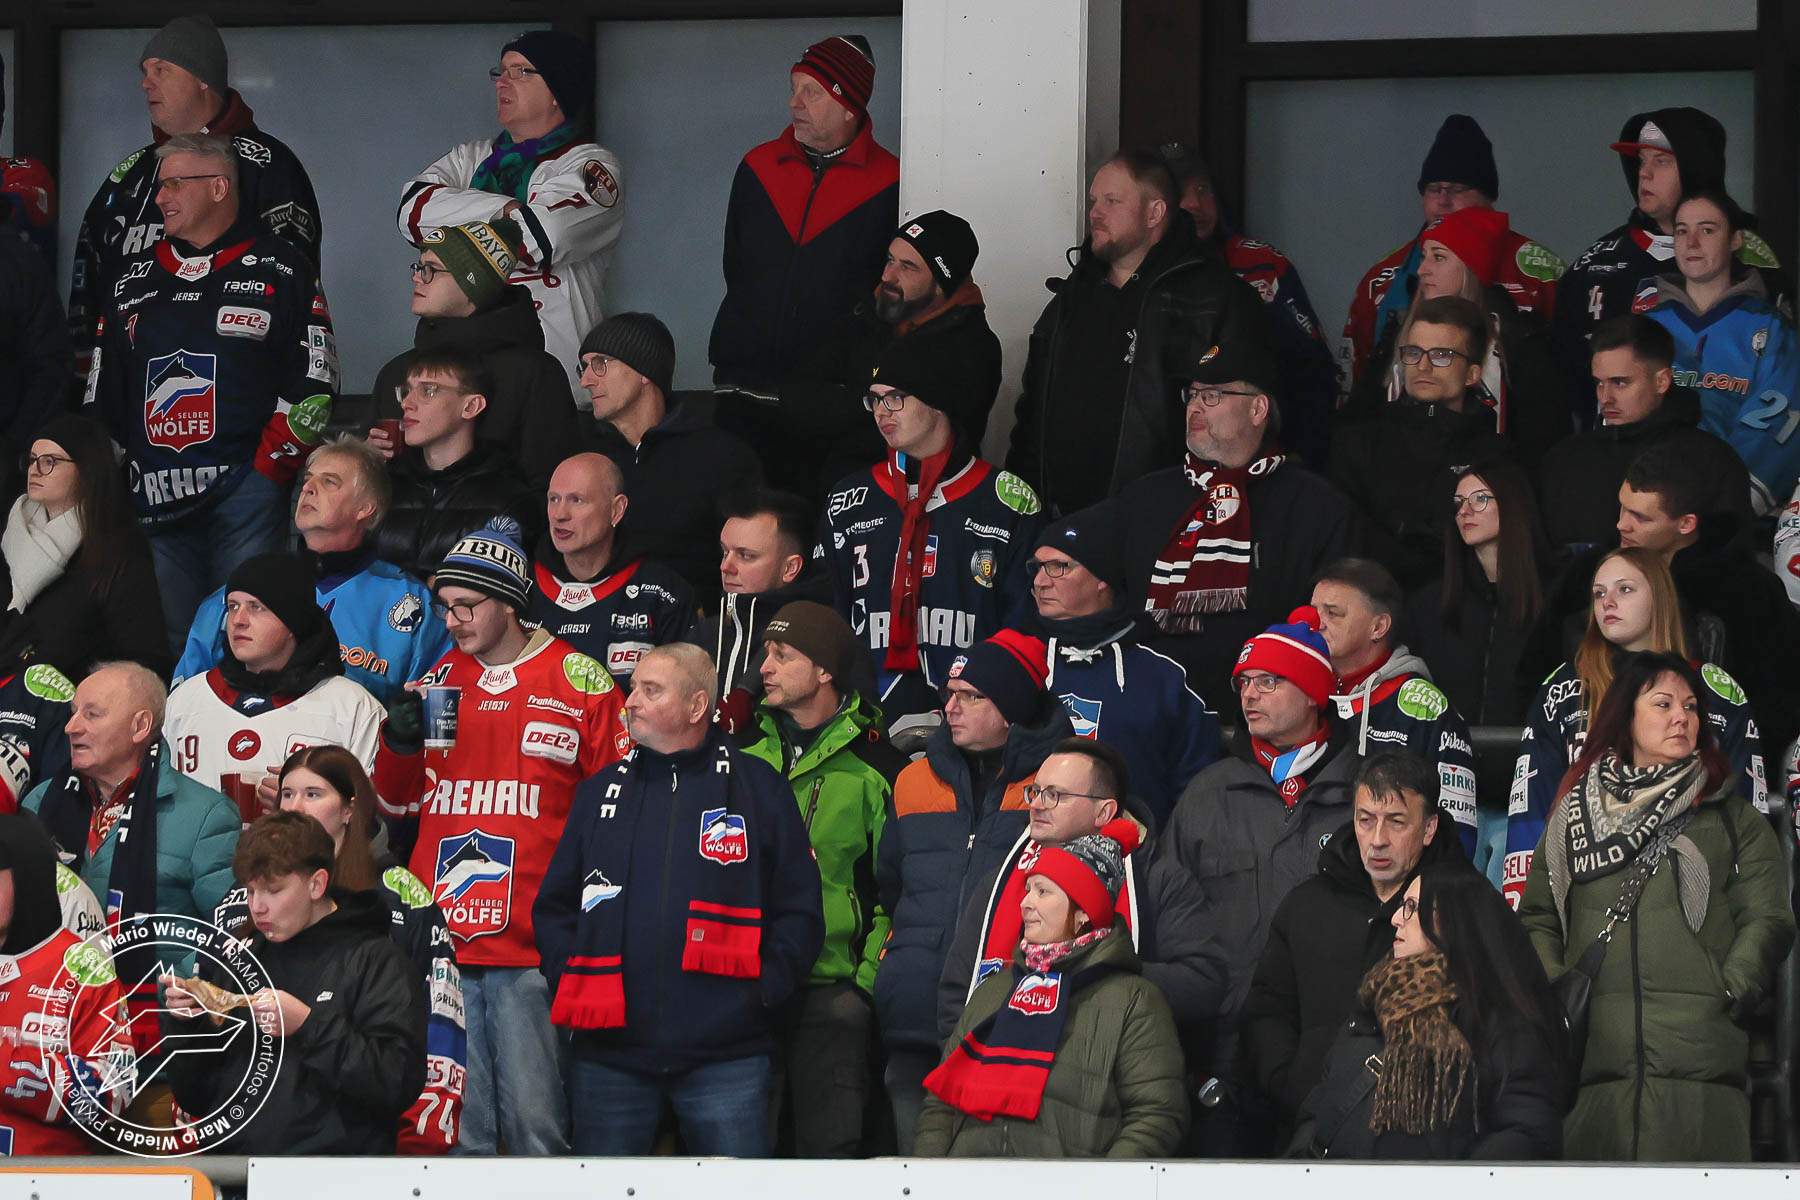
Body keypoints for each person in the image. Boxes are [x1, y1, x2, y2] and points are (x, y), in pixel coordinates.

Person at [372, 518, 628, 1156]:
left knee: (536, 1129)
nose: (452, 620)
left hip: (534, 944)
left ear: (510, 603)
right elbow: (397, 808)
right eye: (443, 606)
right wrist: (398, 744)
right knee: (459, 1137)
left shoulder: (581, 680)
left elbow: (619, 816)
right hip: (442, 943)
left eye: (466, 606)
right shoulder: (439, 678)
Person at [535, 643, 825, 1157]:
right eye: (633, 689)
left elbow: (799, 909)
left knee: (734, 1194)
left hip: (727, 1055)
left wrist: (760, 993)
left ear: (696, 706)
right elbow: (555, 907)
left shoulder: (759, 789)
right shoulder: (598, 792)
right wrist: (571, 976)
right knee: (605, 1192)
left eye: (651, 691)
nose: (630, 702)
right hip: (609, 1053)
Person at [1518, 652, 1794, 1161]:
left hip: (1702, 1075)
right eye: (1663, 704)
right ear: (1626, 716)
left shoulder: (1733, 818)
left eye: (1691, 707)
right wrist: (1557, 989)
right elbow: (1538, 917)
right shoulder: (1573, 816)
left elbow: (1769, 917)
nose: (1681, 718)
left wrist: (1730, 985)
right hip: (1593, 1070)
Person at [85, 132, 337, 650]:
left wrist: (268, 469)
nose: (160, 197)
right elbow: (102, 390)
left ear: (220, 187)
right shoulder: (129, 277)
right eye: (160, 186)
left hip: (246, 493)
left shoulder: (284, 266)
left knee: (249, 640)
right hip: (153, 495)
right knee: (174, 647)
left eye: (175, 184)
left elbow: (317, 376)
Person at [1163, 609, 1361, 1151]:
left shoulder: (1366, 793)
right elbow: (1167, 920)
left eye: (1269, 682)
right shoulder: (1207, 793)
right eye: (1244, 683)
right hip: (1222, 1049)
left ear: (1314, 693)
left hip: (1331, 1046)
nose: (1250, 695)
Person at [873, 630, 1073, 1151]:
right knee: (914, 1175)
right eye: (950, 693)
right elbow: (891, 887)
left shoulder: (1058, 788)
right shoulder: (913, 780)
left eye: (971, 696)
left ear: (1012, 710)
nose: (951, 707)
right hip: (914, 1018)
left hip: (1013, 1024)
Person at [212, 745, 465, 1153]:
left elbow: (439, 1023)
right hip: (248, 1147)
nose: (296, 807)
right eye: (287, 794)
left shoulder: (400, 895)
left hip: (356, 1145)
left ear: (349, 808)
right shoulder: (241, 898)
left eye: (313, 794)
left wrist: (421, 1146)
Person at [1007, 147, 1269, 516]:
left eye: (1112, 201)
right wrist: (1021, 508)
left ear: (1154, 212)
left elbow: (1247, 421)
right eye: (1094, 201)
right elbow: (1032, 415)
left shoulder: (1216, 298)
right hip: (1063, 524)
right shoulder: (1070, 299)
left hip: (1168, 520)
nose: (1095, 212)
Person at [1503, 548, 1765, 909]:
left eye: (1624, 589)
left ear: (1660, 596)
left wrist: (1745, 907)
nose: (1607, 602)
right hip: (1585, 892)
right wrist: (1529, 908)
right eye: (1598, 593)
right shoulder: (1563, 688)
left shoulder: (1715, 690)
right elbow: (1532, 808)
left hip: (1694, 890)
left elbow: (1749, 813)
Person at [1102, 340, 1361, 706]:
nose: (1194, 406)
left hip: (1260, 711)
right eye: (1192, 394)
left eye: (1212, 396)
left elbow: (1333, 627)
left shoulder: (1317, 507)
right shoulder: (1145, 496)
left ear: (1258, 409)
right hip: (1144, 704)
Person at [69, 14, 321, 383]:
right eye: (145, 71)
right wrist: (82, 387)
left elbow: (297, 287)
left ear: (203, 79)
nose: (145, 83)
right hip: (129, 393)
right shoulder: (129, 174)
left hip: (241, 389)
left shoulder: (267, 165)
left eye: (161, 70)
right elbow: (87, 283)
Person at [913, 820, 1188, 1157]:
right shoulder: (994, 992)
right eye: (1028, 890)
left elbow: (1155, 1115)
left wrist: (1104, 1184)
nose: (1025, 903)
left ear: (1084, 912)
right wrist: (933, 1177)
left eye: (1043, 892)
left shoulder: (1133, 1001)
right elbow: (940, 1107)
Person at [935, 739, 1227, 1055]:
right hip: (999, 1068)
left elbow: (1203, 983)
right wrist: (961, 1063)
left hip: (1110, 1069)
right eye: (1035, 791)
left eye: (1055, 795)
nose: (1036, 804)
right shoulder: (1001, 880)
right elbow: (957, 992)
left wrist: (1093, 972)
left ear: (1104, 812)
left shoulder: (1156, 879)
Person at [161, 810, 427, 1154]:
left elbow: (397, 1083)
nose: (257, 907)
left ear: (316, 884)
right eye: (250, 891)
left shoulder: (376, 961)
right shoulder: (241, 961)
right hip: (235, 1171)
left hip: (333, 1174)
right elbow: (196, 1097)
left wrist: (307, 1025)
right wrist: (189, 1026)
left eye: (273, 891)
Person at [738, 602, 900, 1157]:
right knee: (741, 1162)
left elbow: (898, 892)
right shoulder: (741, 756)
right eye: (766, 653)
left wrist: (863, 982)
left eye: (783, 655)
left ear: (826, 670)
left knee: (829, 1160)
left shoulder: (879, 769)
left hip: (831, 990)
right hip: (743, 984)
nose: (765, 667)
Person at [22, 661, 239, 1061]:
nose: (71, 727)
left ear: (140, 726)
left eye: (92, 714)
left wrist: (178, 983)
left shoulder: (206, 815)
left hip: (158, 1045)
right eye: (73, 713)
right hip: (43, 1038)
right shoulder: (40, 802)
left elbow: (234, 932)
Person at [1242, 751, 1464, 1140]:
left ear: (1429, 828)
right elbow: (1267, 1009)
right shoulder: (1306, 903)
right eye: (1366, 820)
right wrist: (1292, 1087)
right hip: (1304, 1137)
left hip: (1415, 1141)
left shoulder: (1464, 910)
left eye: (1396, 822)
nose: (1378, 840)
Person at [819, 340, 1042, 726]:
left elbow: (1027, 625)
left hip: (975, 720)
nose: (881, 412)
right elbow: (825, 618)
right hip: (862, 718)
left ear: (939, 399)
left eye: (896, 398)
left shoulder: (1008, 501)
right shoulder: (848, 499)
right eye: (874, 400)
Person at [398, 30, 624, 401]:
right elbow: (412, 213)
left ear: (557, 91)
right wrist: (504, 208)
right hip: (463, 385)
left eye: (520, 72)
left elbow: (540, 237)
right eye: (500, 72)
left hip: (558, 384)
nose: (501, 82)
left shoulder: (591, 166)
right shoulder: (470, 157)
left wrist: (456, 219)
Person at [1292, 862, 1564, 1158]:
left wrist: (1450, 1181)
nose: (1396, 918)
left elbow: (1527, 1133)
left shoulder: (1501, 1026)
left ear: (1456, 921)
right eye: (1402, 906)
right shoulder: (1374, 1001)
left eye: (1412, 907)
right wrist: (1300, 1165)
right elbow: (1315, 1111)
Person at [173, 436, 451, 707]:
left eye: (329, 482)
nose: (308, 488)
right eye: (307, 479)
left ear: (365, 508)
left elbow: (439, 702)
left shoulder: (410, 600)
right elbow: (184, 705)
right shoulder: (241, 593)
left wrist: (405, 727)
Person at [710, 36, 899, 416]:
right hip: (742, 384)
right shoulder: (757, 167)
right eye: (794, 88)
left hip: (831, 397)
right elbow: (737, 266)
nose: (794, 103)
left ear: (849, 107)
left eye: (812, 92)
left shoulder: (891, 183)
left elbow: (887, 291)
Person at [1553, 107, 1783, 394]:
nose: (1644, 173)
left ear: (1696, 167)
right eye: (1641, 160)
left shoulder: (1750, 256)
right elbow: (1563, 377)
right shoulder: (1596, 264)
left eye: (1661, 161)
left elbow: (1781, 376)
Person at [774, 211, 1003, 496]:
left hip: (915, 502)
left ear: (941, 282)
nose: (887, 276)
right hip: (826, 488)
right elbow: (802, 390)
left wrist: (843, 405)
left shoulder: (973, 348)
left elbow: (917, 438)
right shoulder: (867, 318)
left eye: (908, 267)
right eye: (890, 260)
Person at [1341, 114, 1562, 393]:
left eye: (1457, 189)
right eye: (1434, 189)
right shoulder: (1384, 276)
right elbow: (1356, 378)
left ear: (1488, 197)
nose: (1443, 200)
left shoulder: (1540, 270)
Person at [1027, 510, 1218, 826]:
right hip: (1030, 848)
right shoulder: (1016, 662)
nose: (1039, 581)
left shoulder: (1166, 673)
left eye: (1058, 567)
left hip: (1141, 851)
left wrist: (1159, 852)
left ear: (1103, 578)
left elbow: (1198, 795)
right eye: (1037, 568)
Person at [1343, 208, 1571, 469]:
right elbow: (1358, 420)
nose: (1422, 270)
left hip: (1488, 484)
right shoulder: (1397, 331)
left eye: (1438, 257)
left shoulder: (1518, 343)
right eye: (1423, 256)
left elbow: (1544, 441)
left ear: (1471, 267)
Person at [1161, 143, 1339, 467]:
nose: (1195, 203)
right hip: (1170, 470)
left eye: (1202, 189)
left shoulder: (1261, 265)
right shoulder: (1139, 276)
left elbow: (1315, 372)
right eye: (1180, 192)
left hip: (1265, 465)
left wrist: (1301, 459)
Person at [370, 218, 582, 490]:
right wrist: (363, 463)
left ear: (471, 283)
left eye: (431, 270)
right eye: (419, 268)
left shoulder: (536, 374)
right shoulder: (394, 373)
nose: (417, 277)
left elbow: (553, 487)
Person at [163, 553, 386, 805]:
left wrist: (301, 806)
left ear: (294, 622)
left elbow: (374, 816)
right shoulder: (186, 699)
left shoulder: (352, 706)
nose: (238, 620)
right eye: (233, 606)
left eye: (256, 607)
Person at [1620, 443, 1800, 754]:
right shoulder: (1597, 576)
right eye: (1622, 507)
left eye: (1640, 517)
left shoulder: (1749, 593)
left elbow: (1780, 703)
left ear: (1686, 524)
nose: (1622, 524)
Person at [1329, 295, 1511, 587]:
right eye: (1413, 352)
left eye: (1441, 355)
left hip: (1457, 604)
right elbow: (1340, 543)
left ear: (1472, 374)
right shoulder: (1358, 442)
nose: (1423, 366)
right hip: (1369, 599)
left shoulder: (1496, 456)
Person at [579, 313, 763, 596]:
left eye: (600, 363)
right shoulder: (582, 455)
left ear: (644, 372)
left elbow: (752, 556)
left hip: (692, 615)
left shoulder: (720, 456)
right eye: (584, 367)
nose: (585, 380)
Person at [1537, 314, 1751, 553]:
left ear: (1661, 381)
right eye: (1599, 383)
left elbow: (1731, 562)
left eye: (1620, 383)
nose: (1605, 397)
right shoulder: (1562, 460)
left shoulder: (1711, 462)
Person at [1646, 188, 1800, 514]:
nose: (1691, 243)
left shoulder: (1771, 328)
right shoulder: (1645, 327)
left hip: (1732, 517)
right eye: (1682, 231)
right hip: (1653, 509)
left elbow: (1782, 423)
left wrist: (1724, 505)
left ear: (1735, 240)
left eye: (1707, 230)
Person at [1310, 559, 1478, 855]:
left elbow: (1456, 836)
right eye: (1314, 612)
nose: (1316, 623)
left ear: (1378, 627)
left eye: (1333, 613)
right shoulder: (1296, 698)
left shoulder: (1426, 708)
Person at [0, 813, 135, 1155]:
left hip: (46, 1175)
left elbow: (114, 1096)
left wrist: (7, 1065)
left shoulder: (85, 968)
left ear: (28, 878)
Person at [0, 412, 170, 680]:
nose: (34, 469)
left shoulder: (117, 550)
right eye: (32, 460)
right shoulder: (8, 533)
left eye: (50, 461)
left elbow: (145, 658)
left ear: (87, 469)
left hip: (75, 698)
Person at [1405, 458, 1555, 731]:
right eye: (1459, 503)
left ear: (1512, 506)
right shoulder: (1431, 603)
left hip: (1530, 751)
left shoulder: (1551, 599)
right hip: (1449, 751)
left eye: (1481, 499)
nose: (1464, 511)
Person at [522, 452, 695, 687]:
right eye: (554, 499)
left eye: (577, 500)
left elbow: (682, 694)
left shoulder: (664, 594)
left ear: (616, 509)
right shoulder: (519, 585)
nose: (560, 514)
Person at [372, 348, 540, 582]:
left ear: (471, 407)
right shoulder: (385, 483)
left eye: (428, 390)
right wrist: (357, 470)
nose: (407, 403)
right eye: (407, 391)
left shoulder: (509, 497)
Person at [695, 488, 834, 736]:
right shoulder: (702, 634)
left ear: (790, 568)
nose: (726, 566)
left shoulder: (821, 641)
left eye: (746, 556)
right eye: (725, 552)